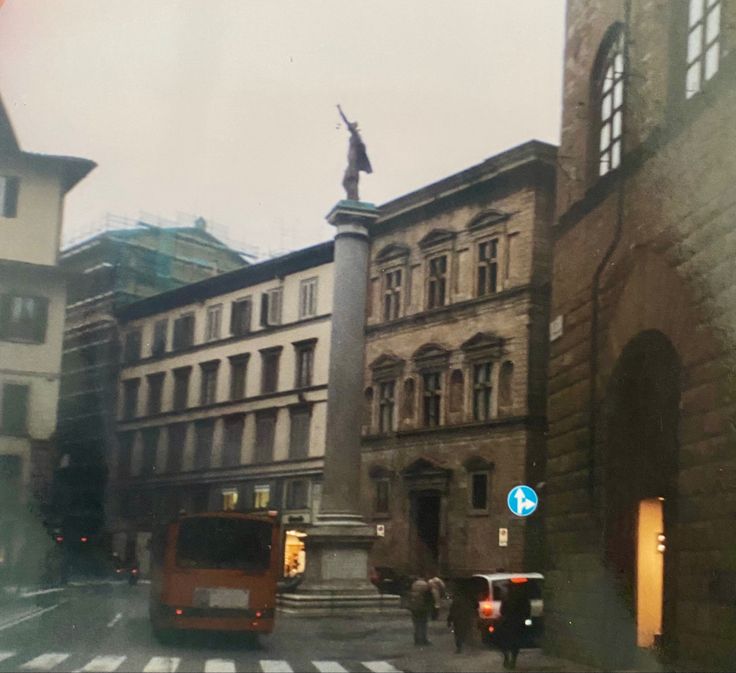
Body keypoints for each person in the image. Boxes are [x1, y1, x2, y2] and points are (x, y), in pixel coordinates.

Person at [496, 580, 532, 669]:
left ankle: (508, 658)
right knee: (515, 644)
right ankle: (512, 660)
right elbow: (527, 610)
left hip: (510, 623)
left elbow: (502, 611)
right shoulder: (522, 598)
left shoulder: (508, 598)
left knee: (505, 642)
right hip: (516, 623)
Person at [447, 578, 477, 654]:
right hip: (467, 616)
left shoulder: (457, 599)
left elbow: (452, 610)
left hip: (458, 618)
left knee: (458, 633)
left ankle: (459, 647)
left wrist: (449, 620)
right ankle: (470, 647)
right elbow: (476, 605)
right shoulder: (470, 597)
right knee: (468, 631)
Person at [407, 574, 434, 646]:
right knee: (423, 623)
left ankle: (417, 639)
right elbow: (429, 596)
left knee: (416, 623)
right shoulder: (426, 585)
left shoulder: (414, 584)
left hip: (414, 606)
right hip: (423, 606)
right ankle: (423, 639)